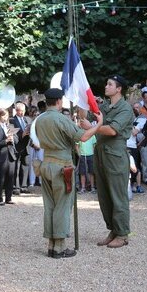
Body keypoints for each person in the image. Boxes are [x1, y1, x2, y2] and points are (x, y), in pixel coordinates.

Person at [35, 88, 103, 259]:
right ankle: (59, 247)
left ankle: (51, 245)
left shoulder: (40, 119)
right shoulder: (61, 119)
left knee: (49, 206)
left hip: (46, 164)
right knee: (62, 206)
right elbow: (84, 137)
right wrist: (98, 125)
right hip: (62, 166)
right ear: (59, 101)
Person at [94, 75, 134, 249]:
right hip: (101, 153)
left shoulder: (125, 108)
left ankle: (123, 233)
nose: (106, 86)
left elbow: (111, 130)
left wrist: (92, 127)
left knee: (118, 196)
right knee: (104, 195)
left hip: (115, 154)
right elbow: (87, 116)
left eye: (110, 84)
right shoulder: (104, 106)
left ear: (119, 89)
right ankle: (113, 229)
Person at [0, 109, 18, 206]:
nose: (5, 118)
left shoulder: (10, 126)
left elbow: (17, 139)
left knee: (10, 178)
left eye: (7, 116)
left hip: (10, 155)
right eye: (3, 116)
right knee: (0, 179)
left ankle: (9, 197)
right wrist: (5, 141)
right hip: (0, 156)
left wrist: (12, 138)